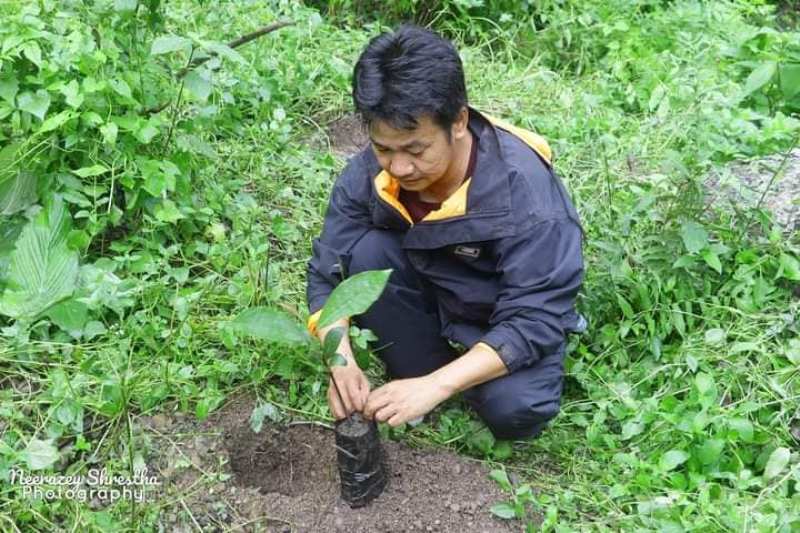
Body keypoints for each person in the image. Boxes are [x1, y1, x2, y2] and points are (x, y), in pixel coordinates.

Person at [306, 24, 585, 440]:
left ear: (458, 122)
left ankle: (451, 375)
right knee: (365, 256)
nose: (398, 167)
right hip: (427, 284)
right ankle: (428, 367)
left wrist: (438, 385)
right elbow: (328, 271)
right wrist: (340, 359)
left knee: (516, 410)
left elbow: (536, 316)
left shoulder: (527, 197)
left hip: (496, 313)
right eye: (383, 149)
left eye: (416, 150)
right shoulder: (369, 173)